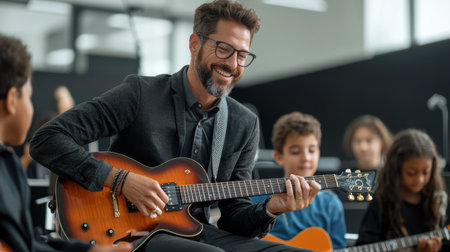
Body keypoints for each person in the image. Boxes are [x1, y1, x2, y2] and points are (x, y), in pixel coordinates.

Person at [29, 1, 321, 251]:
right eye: (224, 49)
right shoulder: (140, 93)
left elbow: (233, 217)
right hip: (131, 235)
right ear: (195, 44)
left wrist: (272, 207)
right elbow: (48, 139)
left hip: (197, 233)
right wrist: (121, 180)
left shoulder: (244, 122)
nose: (233, 64)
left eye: (242, 55)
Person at [0, 34, 131, 252]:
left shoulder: (9, 166)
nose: (30, 107)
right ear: (13, 99)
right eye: (29, 97)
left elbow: (26, 244)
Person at [253, 112, 346, 249]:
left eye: (312, 150)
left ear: (319, 154)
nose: (306, 158)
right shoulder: (259, 198)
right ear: (278, 157)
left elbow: (339, 248)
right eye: (296, 151)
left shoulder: (331, 203)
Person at [356, 129, 448, 252]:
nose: (419, 179)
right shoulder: (381, 203)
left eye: (426, 172)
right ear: (396, 169)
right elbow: (362, 246)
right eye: (411, 173)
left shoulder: (439, 201)